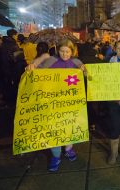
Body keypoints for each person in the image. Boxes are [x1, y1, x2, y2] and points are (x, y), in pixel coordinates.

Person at [28, 39, 85, 172]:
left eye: (67, 51)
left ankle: (69, 149)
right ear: (57, 50)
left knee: (70, 125)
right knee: (54, 128)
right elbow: (37, 74)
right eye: (62, 51)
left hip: (71, 102)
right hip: (52, 103)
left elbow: (87, 77)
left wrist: (84, 70)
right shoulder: (51, 61)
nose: (65, 54)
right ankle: (56, 155)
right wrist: (32, 66)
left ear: (72, 51)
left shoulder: (77, 62)